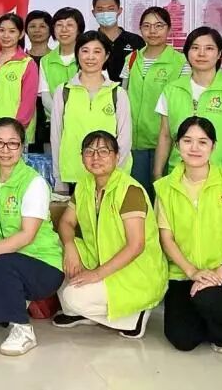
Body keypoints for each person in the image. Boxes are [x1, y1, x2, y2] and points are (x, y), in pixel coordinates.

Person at [155, 117, 222, 354]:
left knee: (209, 300)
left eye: (202, 142)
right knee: (182, 340)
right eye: (187, 141)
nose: (194, 148)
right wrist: (192, 272)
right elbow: (166, 238)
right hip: (184, 273)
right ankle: (204, 312)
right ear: (177, 145)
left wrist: (220, 273)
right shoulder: (164, 188)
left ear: (213, 146)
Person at [54, 130, 167, 338]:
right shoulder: (85, 185)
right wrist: (70, 247)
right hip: (101, 259)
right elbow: (66, 222)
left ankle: (134, 318)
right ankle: (85, 312)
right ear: (82, 157)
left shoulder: (129, 190)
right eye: (89, 151)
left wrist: (96, 275)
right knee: (54, 250)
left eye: (103, 151)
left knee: (72, 297)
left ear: (117, 156)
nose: (95, 157)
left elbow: (136, 245)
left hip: (135, 272)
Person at [0, 118, 64, 356]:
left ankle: (23, 330)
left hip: (41, 263)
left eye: (13, 143)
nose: (5, 149)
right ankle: (18, 299)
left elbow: (27, 235)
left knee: (2, 261)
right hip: (2, 266)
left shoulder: (34, 182)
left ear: (22, 147)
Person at [154, 27, 222, 178]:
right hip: (178, 177)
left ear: (219, 54)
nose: (201, 54)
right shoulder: (171, 90)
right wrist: (157, 174)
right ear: (187, 53)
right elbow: (165, 136)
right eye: (195, 48)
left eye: (209, 48)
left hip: (221, 178)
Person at [50, 31, 132, 191]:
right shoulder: (64, 91)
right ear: (77, 54)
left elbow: (125, 139)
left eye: (97, 51)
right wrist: (58, 176)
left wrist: (114, 174)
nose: (90, 57)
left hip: (109, 177)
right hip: (72, 175)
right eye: (85, 51)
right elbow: (56, 136)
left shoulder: (117, 93)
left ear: (106, 56)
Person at [123, 7, 189, 196]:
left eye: (159, 26)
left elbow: (182, 103)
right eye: (147, 26)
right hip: (134, 142)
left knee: (163, 196)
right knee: (137, 197)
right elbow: (123, 94)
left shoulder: (181, 62)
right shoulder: (131, 59)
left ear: (169, 29)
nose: (152, 31)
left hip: (166, 141)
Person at [0, 14, 39, 141]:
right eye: (2, 30)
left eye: (12, 31)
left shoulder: (27, 63)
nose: (6, 35)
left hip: (16, 132)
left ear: (21, 34)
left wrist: (16, 130)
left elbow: (28, 103)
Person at [39, 7, 84, 119]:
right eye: (59, 25)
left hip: (86, 119)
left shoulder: (89, 56)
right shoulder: (46, 60)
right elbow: (45, 97)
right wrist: (63, 116)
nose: (64, 29)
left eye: (70, 25)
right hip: (55, 120)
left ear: (79, 29)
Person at [92, 0, 145, 83]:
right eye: (100, 10)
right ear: (93, 13)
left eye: (110, 9)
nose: (105, 13)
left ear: (119, 11)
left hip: (129, 92)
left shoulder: (136, 41)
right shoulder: (88, 42)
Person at [25, 10, 53, 152]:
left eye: (42, 26)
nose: (37, 30)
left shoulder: (55, 60)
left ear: (50, 30)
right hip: (26, 117)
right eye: (32, 26)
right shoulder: (21, 59)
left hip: (49, 116)